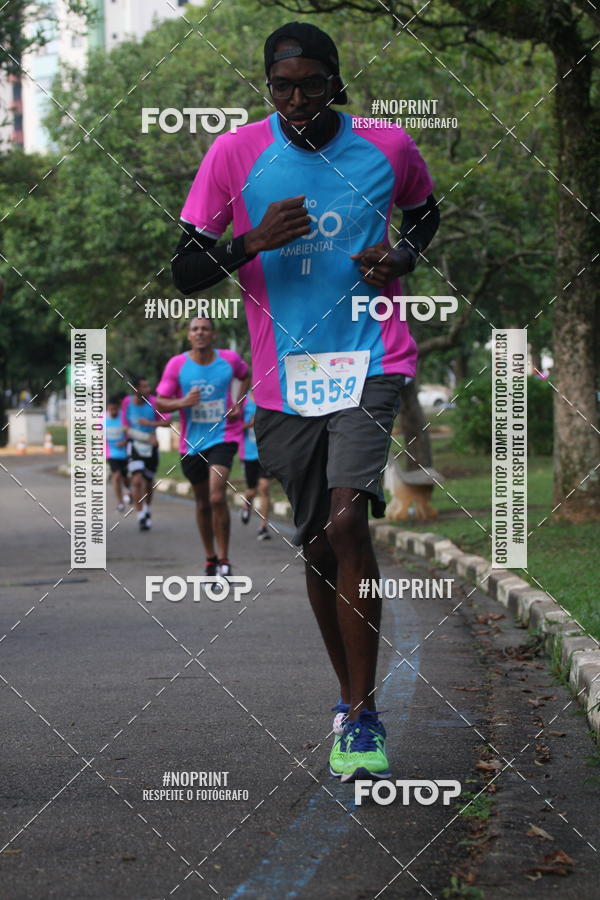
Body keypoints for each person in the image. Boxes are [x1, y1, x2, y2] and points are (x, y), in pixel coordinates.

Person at [171, 22, 440, 782]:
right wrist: (248, 244)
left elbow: (423, 214)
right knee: (319, 542)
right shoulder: (234, 154)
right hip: (283, 379)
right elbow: (186, 267)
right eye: (282, 87)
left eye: (312, 85)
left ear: (335, 82)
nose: (297, 100)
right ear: (268, 87)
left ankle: (363, 715)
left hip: (371, 356)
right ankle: (346, 697)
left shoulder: (387, 146)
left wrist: (402, 255)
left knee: (351, 521)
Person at [155, 317, 250, 577]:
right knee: (202, 503)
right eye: (195, 329)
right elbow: (161, 403)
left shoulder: (229, 359)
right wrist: (183, 402)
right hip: (191, 443)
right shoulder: (177, 365)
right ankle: (210, 557)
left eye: (205, 329)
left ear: (213, 335)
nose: (200, 333)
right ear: (189, 336)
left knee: (217, 496)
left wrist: (239, 403)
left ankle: (225, 558)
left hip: (223, 436)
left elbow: (246, 374)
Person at [121, 376, 169, 531]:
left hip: (151, 446)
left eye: (149, 386)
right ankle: (140, 514)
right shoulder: (127, 403)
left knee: (148, 482)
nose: (148, 389)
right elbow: (125, 425)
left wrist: (151, 424)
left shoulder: (154, 402)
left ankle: (147, 508)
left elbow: (167, 422)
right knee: (136, 479)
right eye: (144, 387)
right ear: (136, 390)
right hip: (134, 445)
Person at [239, 392, 271, 540]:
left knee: (264, 486)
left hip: (264, 452)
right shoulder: (243, 401)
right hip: (248, 453)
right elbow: (235, 426)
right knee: (251, 490)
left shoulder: (269, 396)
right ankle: (246, 504)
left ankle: (263, 527)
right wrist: (250, 424)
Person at [105, 395, 130, 512]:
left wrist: (125, 441)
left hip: (125, 452)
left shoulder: (124, 417)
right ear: (107, 408)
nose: (113, 412)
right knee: (117, 476)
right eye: (111, 409)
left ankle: (129, 490)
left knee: (125, 478)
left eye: (115, 409)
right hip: (111, 453)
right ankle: (120, 502)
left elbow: (130, 432)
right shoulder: (102, 419)